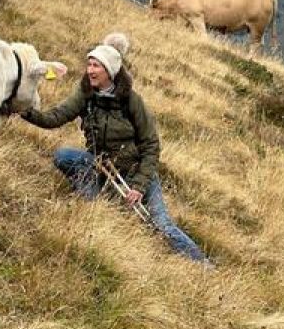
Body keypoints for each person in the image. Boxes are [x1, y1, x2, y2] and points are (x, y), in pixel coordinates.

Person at [20, 33, 209, 263]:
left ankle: (204, 266)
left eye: (95, 66)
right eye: (89, 64)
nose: (90, 70)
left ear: (109, 71)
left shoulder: (131, 101)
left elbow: (151, 145)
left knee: (161, 226)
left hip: (136, 172)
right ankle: (95, 202)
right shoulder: (85, 94)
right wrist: (25, 112)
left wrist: (139, 186)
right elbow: (56, 117)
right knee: (64, 156)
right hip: (102, 166)